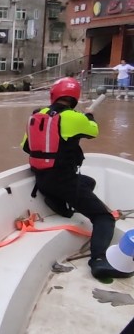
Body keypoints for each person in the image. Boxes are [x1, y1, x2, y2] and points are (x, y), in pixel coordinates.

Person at [21, 77, 132, 279]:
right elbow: (94, 132)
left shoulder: (37, 116)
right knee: (103, 218)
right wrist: (89, 116)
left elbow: (26, 147)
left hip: (42, 182)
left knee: (89, 182)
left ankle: (59, 204)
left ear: (53, 95)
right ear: (74, 98)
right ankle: (98, 261)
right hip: (65, 182)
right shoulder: (74, 117)